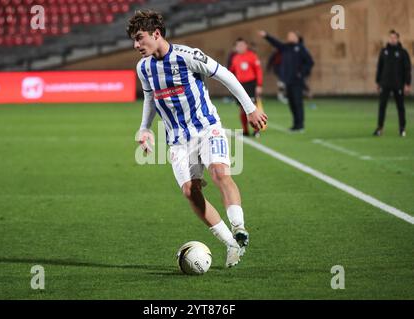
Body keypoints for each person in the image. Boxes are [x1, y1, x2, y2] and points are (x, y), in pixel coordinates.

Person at [127, 10, 268, 267]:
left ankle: (239, 227)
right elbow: (150, 97)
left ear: (156, 34)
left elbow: (225, 75)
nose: (136, 45)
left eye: (139, 38)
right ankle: (231, 244)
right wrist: (145, 128)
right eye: (134, 40)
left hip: (207, 128)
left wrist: (250, 109)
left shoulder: (187, 56)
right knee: (190, 192)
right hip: (178, 140)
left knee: (219, 173)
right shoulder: (144, 68)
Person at [258, 30, 314, 132]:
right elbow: (275, 43)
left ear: (297, 37)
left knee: (298, 103)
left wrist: (301, 73)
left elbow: (310, 62)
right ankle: (295, 125)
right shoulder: (286, 48)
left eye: (291, 35)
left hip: (297, 82)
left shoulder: (301, 49)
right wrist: (266, 36)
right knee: (292, 103)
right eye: (288, 36)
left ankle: (300, 125)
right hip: (288, 81)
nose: (289, 37)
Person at [374, 30, 412, 137]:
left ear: (398, 39)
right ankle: (380, 128)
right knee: (382, 106)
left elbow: (407, 69)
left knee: (400, 107)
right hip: (385, 83)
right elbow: (380, 67)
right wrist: (378, 82)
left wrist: (407, 84)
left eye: (394, 38)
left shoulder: (403, 53)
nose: (392, 39)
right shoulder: (384, 51)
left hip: (398, 84)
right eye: (391, 37)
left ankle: (402, 128)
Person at [228, 38, 264, 137]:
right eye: (238, 46)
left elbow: (258, 71)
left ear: (246, 46)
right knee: (242, 108)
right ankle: (245, 130)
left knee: (253, 107)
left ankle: (256, 130)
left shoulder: (252, 56)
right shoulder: (235, 58)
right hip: (240, 85)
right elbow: (231, 71)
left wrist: (259, 85)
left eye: (242, 45)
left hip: (251, 84)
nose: (240, 47)